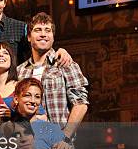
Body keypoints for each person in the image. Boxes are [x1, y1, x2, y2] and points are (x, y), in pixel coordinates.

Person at [17, 12, 89, 142]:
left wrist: (66, 137)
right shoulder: (20, 71)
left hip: (58, 143)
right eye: (38, 30)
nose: (43, 34)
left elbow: (81, 104)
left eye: (47, 30)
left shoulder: (65, 63)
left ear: (53, 37)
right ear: (29, 36)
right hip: (28, 143)